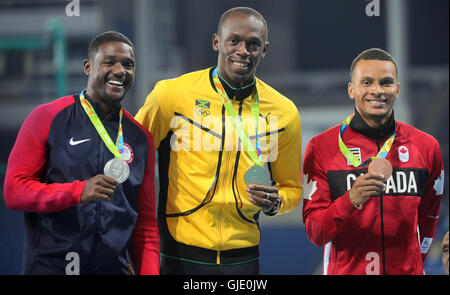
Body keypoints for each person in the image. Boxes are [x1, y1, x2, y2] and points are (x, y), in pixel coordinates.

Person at [135, 7, 302, 275]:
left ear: (264, 49)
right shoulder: (171, 95)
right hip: (179, 250)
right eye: (234, 40)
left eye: (253, 44)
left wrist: (275, 202)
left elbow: (292, 189)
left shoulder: (284, 112)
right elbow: (131, 155)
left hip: (243, 256)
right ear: (216, 42)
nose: (243, 50)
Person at [3, 31, 159, 275]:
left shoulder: (141, 138)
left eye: (128, 65)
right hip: (52, 268)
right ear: (88, 67)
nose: (120, 71)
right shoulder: (47, 117)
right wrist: (77, 191)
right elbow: (14, 190)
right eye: (110, 62)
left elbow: (145, 225)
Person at [302, 48, 444, 275]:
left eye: (386, 83)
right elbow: (315, 232)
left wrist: (412, 264)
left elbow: (429, 219)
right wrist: (350, 200)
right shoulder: (321, 147)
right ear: (351, 89)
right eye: (366, 82)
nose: (377, 91)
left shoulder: (426, 147)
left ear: (397, 89)